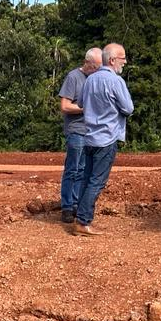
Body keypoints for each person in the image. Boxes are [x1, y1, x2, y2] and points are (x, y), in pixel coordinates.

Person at [71, 43, 133, 236]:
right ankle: (83, 221)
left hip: (89, 137)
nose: (125, 62)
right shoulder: (116, 81)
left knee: (87, 179)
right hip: (106, 138)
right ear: (112, 60)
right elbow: (128, 108)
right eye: (123, 58)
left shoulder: (90, 79)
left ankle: (79, 216)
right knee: (96, 182)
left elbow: (80, 103)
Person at [57, 48, 103, 224]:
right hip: (76, 130)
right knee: (73, 169)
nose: (98, 70)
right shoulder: (73, 77)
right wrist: (86, 108)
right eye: (97, 66)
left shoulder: (95, 79)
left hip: (90, 132)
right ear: (88, 63)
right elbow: (65, 106)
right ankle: (67, 206)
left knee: (83, 170)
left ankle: (76, 203)